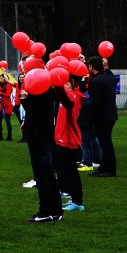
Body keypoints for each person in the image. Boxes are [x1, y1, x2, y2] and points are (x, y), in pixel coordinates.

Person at [18, 76, 61, 223]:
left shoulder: (39, 91)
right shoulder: (48, 90)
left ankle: (46, 211)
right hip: (45, 134)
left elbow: (35, 111)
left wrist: (24, 99)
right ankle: (56, 211)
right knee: (48, 173)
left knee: (42, 174)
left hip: (38, 136)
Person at [54, 76, 85, 212]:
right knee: (68, 170)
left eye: (64, 83)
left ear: (69, 84)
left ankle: (78, 202)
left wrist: (57, 84)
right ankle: (75, 199)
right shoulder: (69, 96)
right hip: (64, 138)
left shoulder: (72, 97)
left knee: (71, 171)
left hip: (69, 139)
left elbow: (65, 101)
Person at [87, 56, 119, 177]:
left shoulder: (96, 81)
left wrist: (91, 119)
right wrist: (106, 67)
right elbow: (110, 75)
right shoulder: (109, 77)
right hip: (111, 115)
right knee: (105, 143)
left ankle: (109, 170)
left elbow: (95, 104)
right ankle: (103, 168)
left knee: (105, 144)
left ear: (91, 67)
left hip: (102, 118)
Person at [0, 75, 14, 141]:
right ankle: (0, 136)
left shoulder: (8, 85)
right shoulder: (2, 86)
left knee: (7, 122)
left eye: (2, 78)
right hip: (2, 106)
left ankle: (9, 137)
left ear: (6, 79)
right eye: (0, 78)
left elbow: (8, 95)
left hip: (6, 106)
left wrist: (0, 93)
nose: (1, 79)